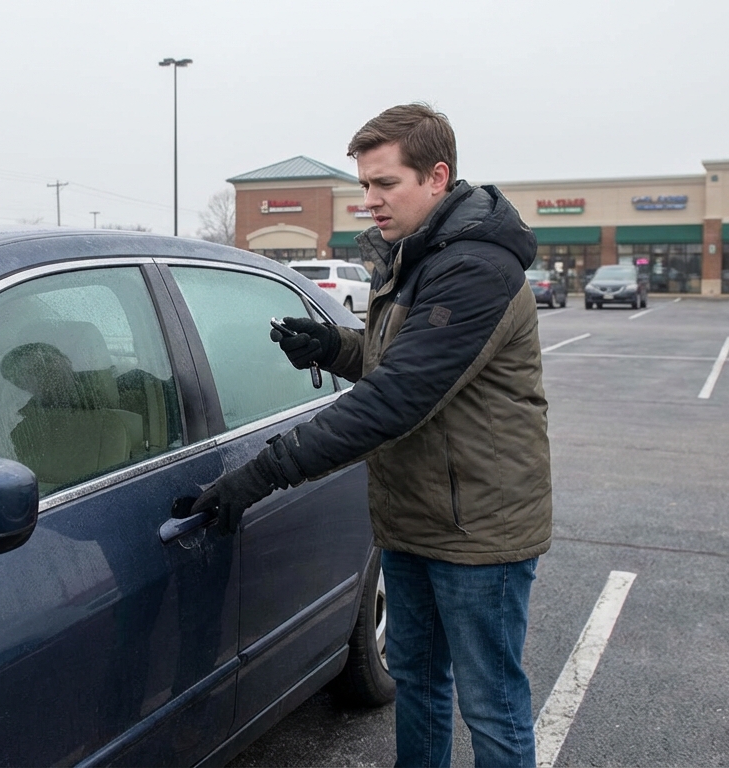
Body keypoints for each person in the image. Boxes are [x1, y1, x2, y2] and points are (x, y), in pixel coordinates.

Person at [192, 103, 551, 767]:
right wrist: (332, 346)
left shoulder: (477, 269)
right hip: (413, 517)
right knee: (418, 682)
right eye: (363, 184)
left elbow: (398, 396)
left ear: (437, 177)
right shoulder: (416, 256)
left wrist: (267, 471)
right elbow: (398, 359)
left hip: (479, 529)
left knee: (491, 705)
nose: (370, 201)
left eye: (385, 184)